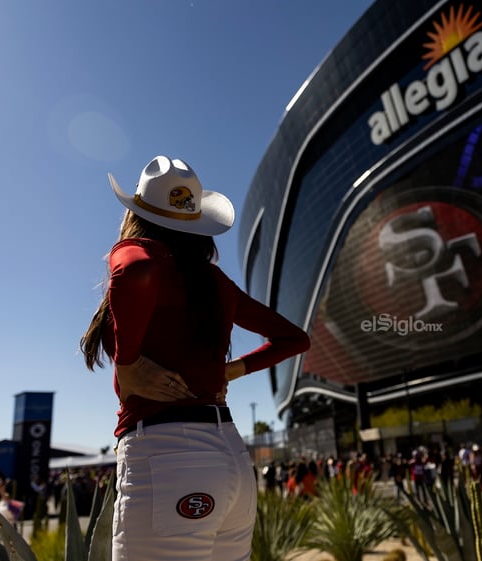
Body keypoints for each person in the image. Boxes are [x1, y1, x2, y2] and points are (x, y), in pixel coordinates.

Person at [81, 155, 310, 561]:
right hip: (230, 457)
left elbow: (134, 271)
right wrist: (234, 370)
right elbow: (294, 338)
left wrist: (128, 361)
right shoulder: (214, 281)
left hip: (167, 454)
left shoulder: (137, 250)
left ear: (136, 214)